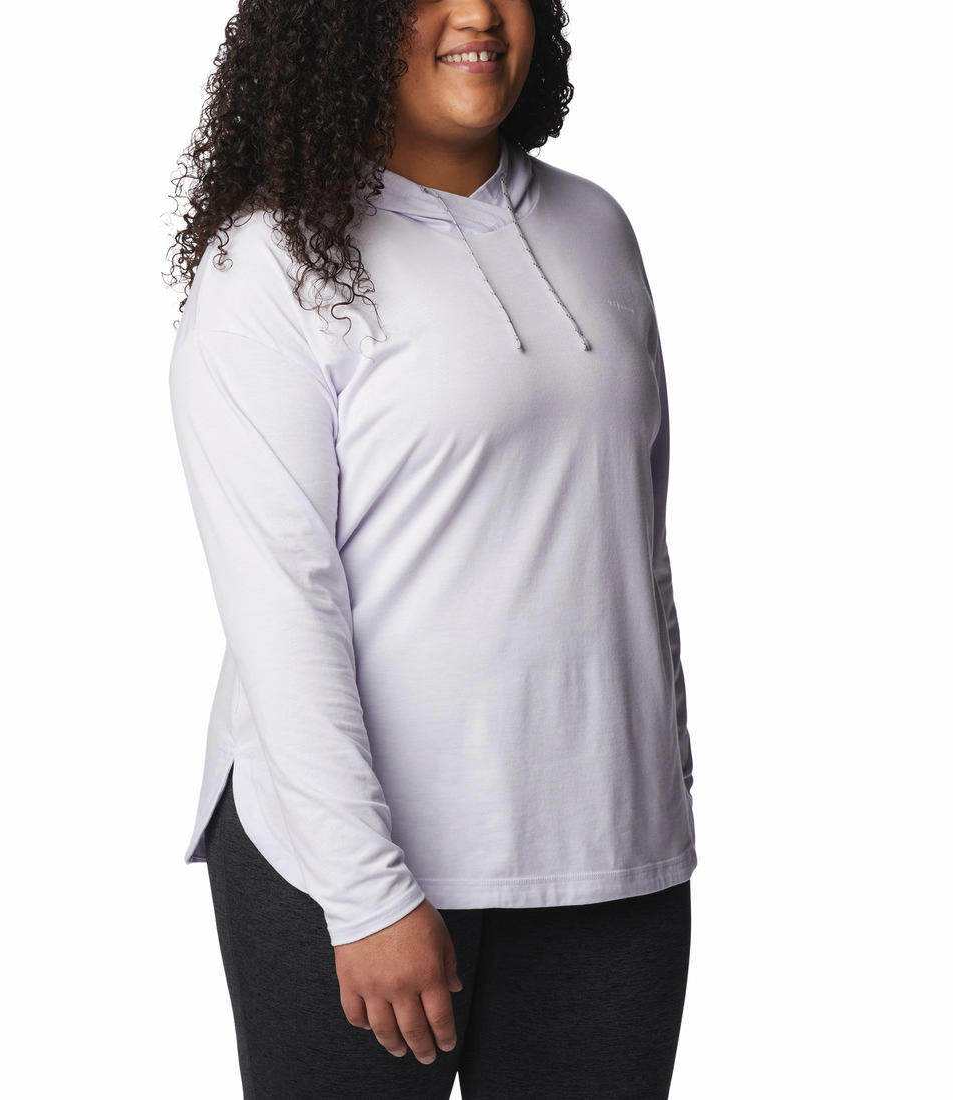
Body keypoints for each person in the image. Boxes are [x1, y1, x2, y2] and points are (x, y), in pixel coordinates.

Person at [165, 1, 698, 1096]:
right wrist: (364, 893)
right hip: (344, 861)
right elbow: (282, 606)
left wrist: (662, 774)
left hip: (607, 848)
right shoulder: (268, 261)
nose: (476, 12)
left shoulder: (595, 226)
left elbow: (634, 537)